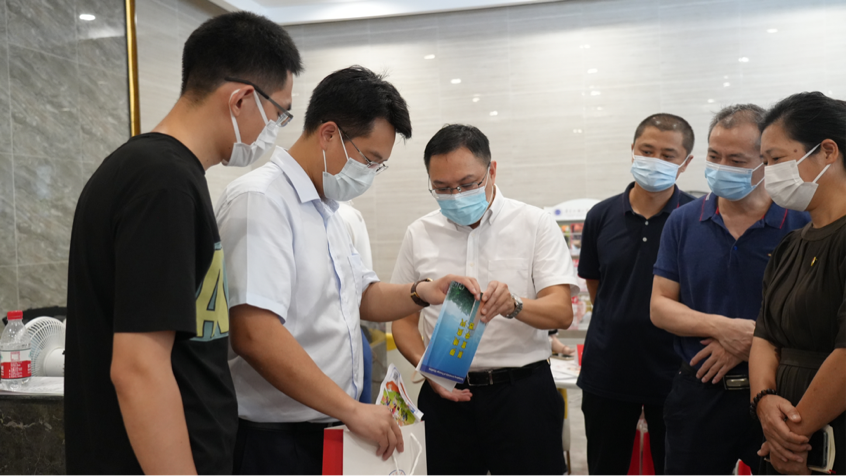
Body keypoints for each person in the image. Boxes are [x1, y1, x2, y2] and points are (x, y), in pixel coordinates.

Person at [64, 13, 302, 475]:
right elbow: (139, 369)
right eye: (279, 113)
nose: (276, 129)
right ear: (241, 99)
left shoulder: (157, 173)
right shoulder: (163, 183)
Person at [215, 67, 481, 476]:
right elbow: (255, 333)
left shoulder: (328, 210)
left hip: (327, 426)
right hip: (275, 440)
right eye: (370, 160)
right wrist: (351, 409)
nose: (370, 174)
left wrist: (422, 291)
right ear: (329, 134)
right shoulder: (261, 201)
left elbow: (361, 296)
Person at [391, 124, 579, 476]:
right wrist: (426, 368)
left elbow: (561, 311)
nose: (456, 196)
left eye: (467, 184)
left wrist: (515, 305)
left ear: (492, 171)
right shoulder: (419, 233)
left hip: (522, 395)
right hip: (445, 395)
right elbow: (402, 320)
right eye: (442, 188)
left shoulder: (535, 224)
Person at [651, 105, 810, 475]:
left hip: (779, 392)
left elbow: (813, 313)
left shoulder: (800, 222)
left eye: (736, 160)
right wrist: (725, 329)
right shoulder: (683, 221)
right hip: (700, 392)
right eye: (714, 156)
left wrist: (754, 342)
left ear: (766, 162)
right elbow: (660, 306)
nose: (722, 167)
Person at [577, 113, 696, 475]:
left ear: (686, 162)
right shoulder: (601, 215)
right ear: (632, 150)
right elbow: (598, 287)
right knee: (605, 466)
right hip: (608, 370)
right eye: (647, 150)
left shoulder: (696, 217)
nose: (655, 161)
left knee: (677, 467)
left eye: (668, 155)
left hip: (675, 372)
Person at [750, 92, 846, 476]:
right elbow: (765, 335)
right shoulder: (791, 244)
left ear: (827, 151)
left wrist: (790, 436)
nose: (769, 173)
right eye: (764, 162)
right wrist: (763, 400)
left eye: (776, 159)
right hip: (784, 440)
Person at [336, 201, 376, 404]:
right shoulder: (348, 215)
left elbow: (364, 291)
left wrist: (419, 292)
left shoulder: (343, 216)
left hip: (350, 342)